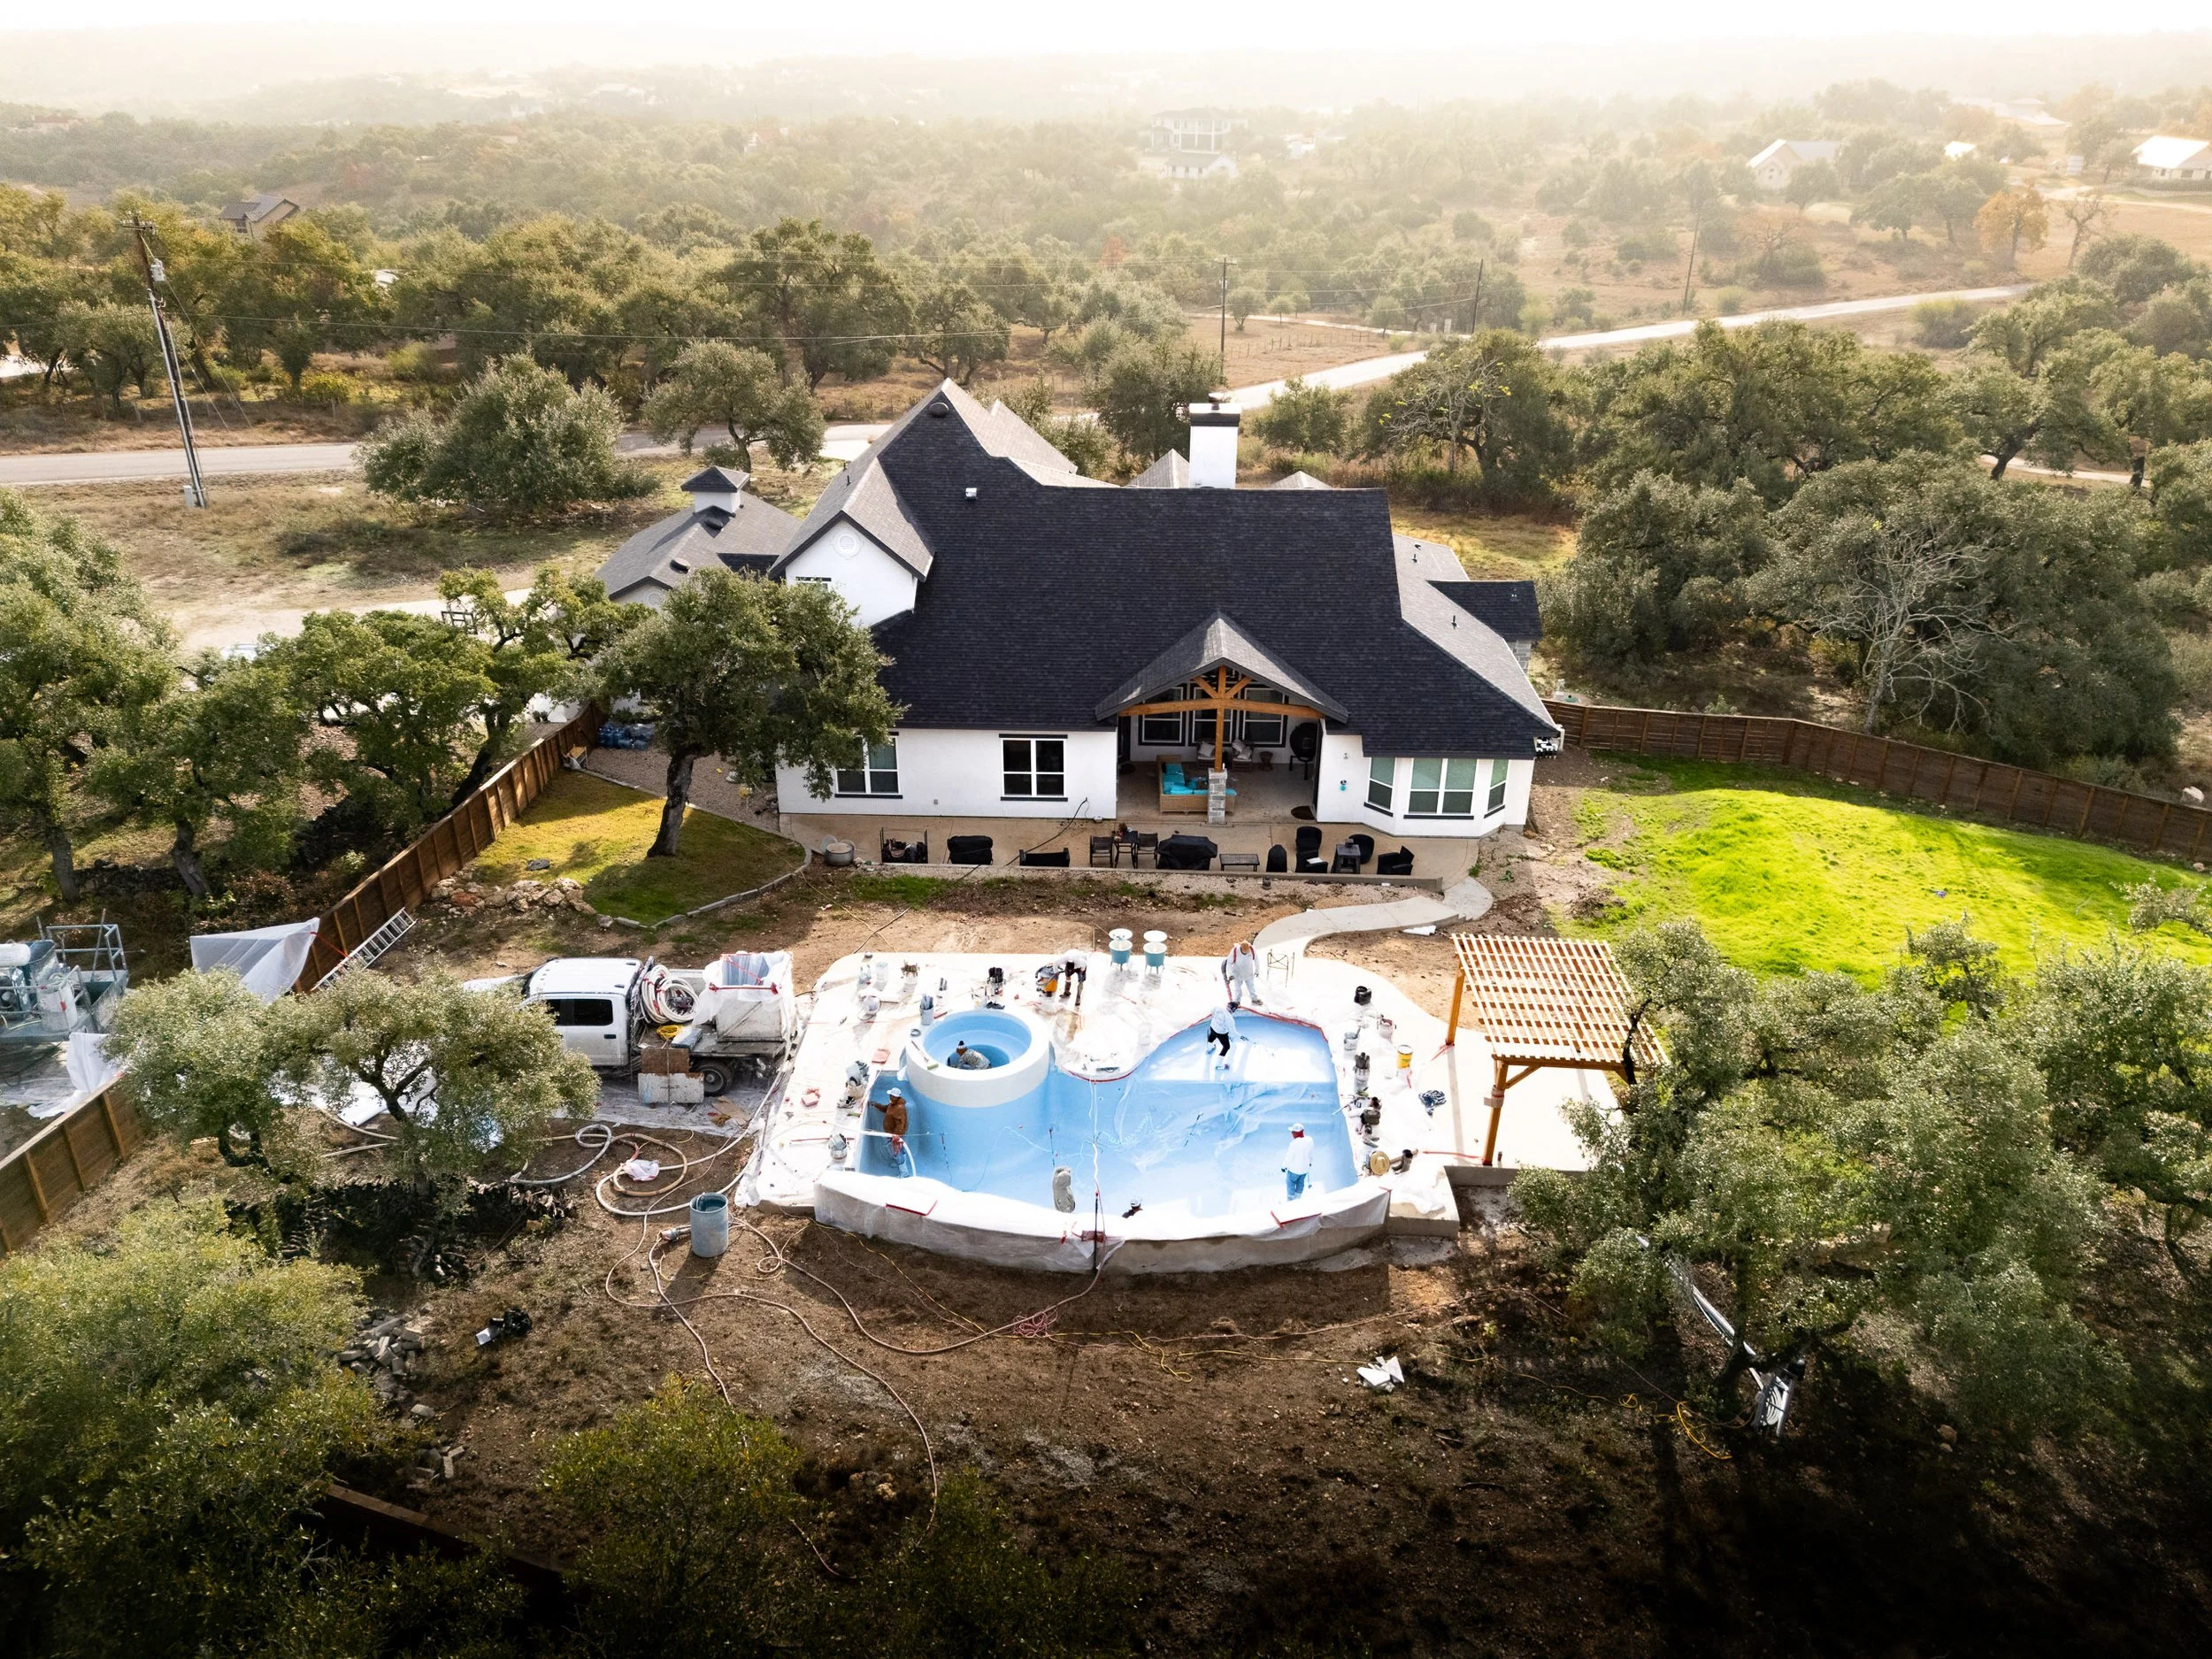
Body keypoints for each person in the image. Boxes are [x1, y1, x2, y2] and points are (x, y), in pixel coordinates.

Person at [1222, 939, 1262, 1007]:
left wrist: (1257, 970)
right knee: (1237, 989)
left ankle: (1254, 998)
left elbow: (1256, 960)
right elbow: (1229, 963)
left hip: (1248, 972)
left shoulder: (1252, 949)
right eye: (1244, 952)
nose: (1246, 953)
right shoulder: (1235, 951)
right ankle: (1237, 1001)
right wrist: (1230, 974)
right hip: (1237, 973)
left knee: (1251, 986)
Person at [1283, 1123, 1313, 1201]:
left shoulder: (1294, 1144)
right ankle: (1297, 1199)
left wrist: (1284, 1166)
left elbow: (1289, 1157)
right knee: (1300, 1183)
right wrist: (1310, 1162)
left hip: (1294, 1170)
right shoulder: (1309, 1140)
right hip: (1304, 1169)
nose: (1291, 1133)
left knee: (1290, 1183)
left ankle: (1290, 1200)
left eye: (1292, 1132)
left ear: (1296, 1133)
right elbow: (1310, 1153)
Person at [1207, 1001, 1237, 1065]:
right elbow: (1232, 1031)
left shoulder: (1218, 1007)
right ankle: (1218, 1064)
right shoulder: (1230, 1018)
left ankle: (1209, 1048)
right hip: (1221, 1033)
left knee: (1212, 1036)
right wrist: (1233, 1037)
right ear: (1233, 1009)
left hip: (1213, 1027)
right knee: (1226, 1047)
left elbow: (1212, 1011)